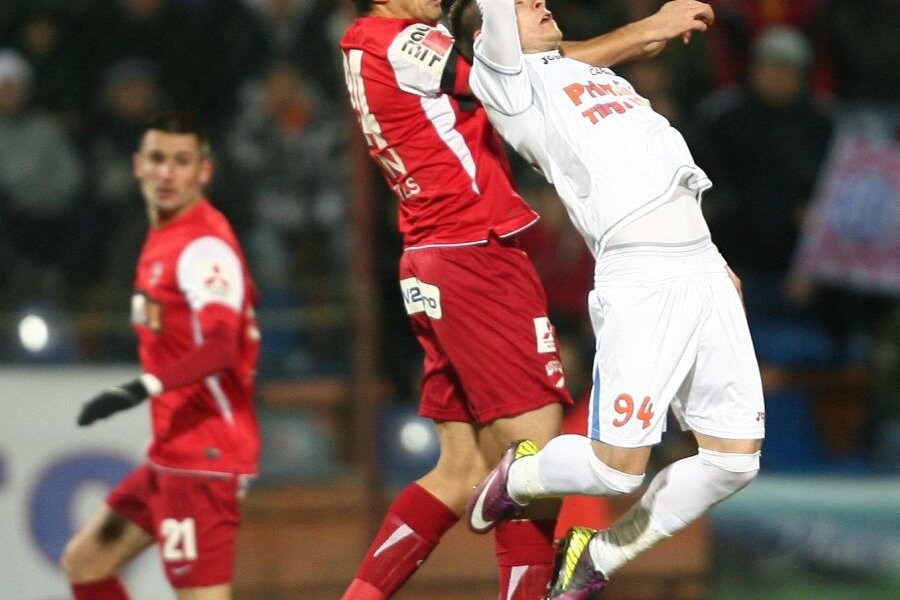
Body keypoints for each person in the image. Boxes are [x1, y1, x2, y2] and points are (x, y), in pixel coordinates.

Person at [338, 1, 736, 599]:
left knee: (462, 472)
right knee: (535, 462)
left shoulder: (364, 44)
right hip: (473, 256)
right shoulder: (397, 40)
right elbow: (513, 75)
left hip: (433, 258)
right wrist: (644, 30)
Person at [456, 1, 765, 598]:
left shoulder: (585, 71)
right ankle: (519, 477)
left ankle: (598, 555)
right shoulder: (505, 82)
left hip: (701, 263)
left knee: (733, 463)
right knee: (613, 470)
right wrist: (651, 27)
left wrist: (715, 258)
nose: (538, 2)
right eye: (520, 4)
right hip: (641, 274)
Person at [60, 111, 261, 600]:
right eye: (157, 158)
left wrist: (140, 388)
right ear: (137, 166)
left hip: (205, 454)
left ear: (203, 172)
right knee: (87, 562)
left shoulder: (203, 247)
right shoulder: (162, 236)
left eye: (182, 161)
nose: (167, 172)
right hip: (172, 451)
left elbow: (221, 345)